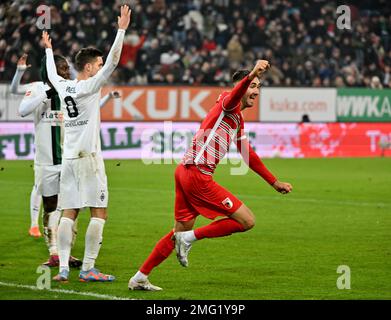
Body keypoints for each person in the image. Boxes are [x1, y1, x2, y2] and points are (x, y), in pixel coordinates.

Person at [128, 60, 293, 291]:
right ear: (240, 87)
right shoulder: (228, 103)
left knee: (178, 232)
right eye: (252, 85)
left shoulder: (237, 119)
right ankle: (189, 239)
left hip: (185, 171)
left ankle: (140, 277)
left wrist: (273, 182)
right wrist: (253, 71)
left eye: (258, 87)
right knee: (247, 221)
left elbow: (248, 155)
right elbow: (234, 96)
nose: (255, 91)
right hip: (197, 174)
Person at [42, 5, 131, 282]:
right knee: (99, 211)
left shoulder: (63, 85)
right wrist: (121, 30)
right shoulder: (90, 86)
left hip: (68, 159)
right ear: (90, 67)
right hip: (89, 157)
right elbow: (115, 61)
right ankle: (89, 268)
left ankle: (65, 268)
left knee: (69, 210)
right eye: (99, 64)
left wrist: (47, 49)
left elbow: (51, 73)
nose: (102, 67)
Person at [13, 53, 120, 264]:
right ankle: (53, 251)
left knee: (71, 207)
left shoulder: (67, 89)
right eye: (60, 68)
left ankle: (64, 254)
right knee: (51, 204)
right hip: (45, 161)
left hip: (67, 159)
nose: (64, 72)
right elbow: (23, 110)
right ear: (49, 70)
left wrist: (106, 98)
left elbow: (87, 111)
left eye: (65, 68)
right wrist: (44, 92)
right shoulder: (37, 88)